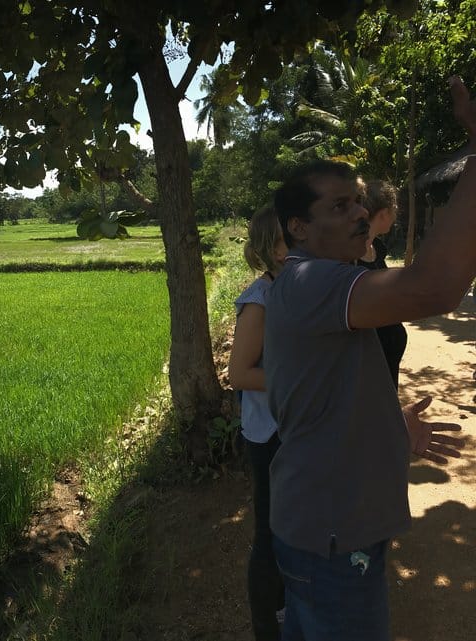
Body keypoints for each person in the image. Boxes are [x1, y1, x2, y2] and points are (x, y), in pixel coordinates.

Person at [262, 76, 476, 641]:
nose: (361, 212)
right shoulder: (311, 280)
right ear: (299, 228)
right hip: (333, 534)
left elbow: (329, 392)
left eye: (359, 199)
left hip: (322, 524)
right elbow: (435, 288)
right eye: (341, 205)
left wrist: (389, 431)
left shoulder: (330, 283)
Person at [229, 207, 288, 641]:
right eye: (294, 238)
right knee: (270, 533)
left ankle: (291, 613)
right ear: (272, 248)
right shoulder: (260, 299)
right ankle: (267, 626)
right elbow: (239, 374)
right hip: (268, 435)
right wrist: (298, 380)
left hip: (293, 429)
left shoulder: (293, 290)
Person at [357, 180, 409, 380]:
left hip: (387, 365)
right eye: (394, 209)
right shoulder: (350, 257)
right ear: (384, 213)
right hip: (366, 370)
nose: (396, 215)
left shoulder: (376, 250)